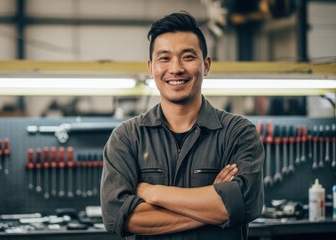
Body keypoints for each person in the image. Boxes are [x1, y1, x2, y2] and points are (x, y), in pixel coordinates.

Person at [100, 11, 264, 240]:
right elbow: (115, 215)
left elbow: (244, 204)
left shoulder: (238, 133)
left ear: (206, 65)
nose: (175, 68)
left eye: (187, 57)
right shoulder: (127, 138)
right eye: (164, 58)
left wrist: (153, 193)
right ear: (150, 67)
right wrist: (215, 206)